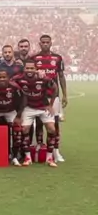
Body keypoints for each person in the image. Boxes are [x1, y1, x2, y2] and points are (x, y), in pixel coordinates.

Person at [15, 59, 58, 168]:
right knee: (24, 129)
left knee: (52, 129)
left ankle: (49, 158)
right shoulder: (19, 78)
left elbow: (55, 88)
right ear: (24, 69)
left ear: (36, 69)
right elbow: (9, 83)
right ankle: (28, 157)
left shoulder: (43, 78)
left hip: (43, 107)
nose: (29, 70)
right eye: (27, 68)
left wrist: (50, 105)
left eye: (32, 68)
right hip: (28, 108)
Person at [32, 34, 67, 163]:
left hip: (54, 96)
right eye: (43, 42)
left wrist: (65, 94)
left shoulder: (57, 58)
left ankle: (56, 151)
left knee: (55, 123)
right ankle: (40, 146)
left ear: (51, 43)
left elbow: (61, 76)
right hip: (39, 95)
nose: (45, 44)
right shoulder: (34, 58)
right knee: (39, 122)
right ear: (39, 44)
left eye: (47, 42)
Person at [0, 69, 22, 166]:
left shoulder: (14, 87)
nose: (2, 79)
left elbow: (23, 100)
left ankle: (15, 156)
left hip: (10, 111)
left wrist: (18, 115)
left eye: (4, 77)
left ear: (8, 78)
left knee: (17, 129)